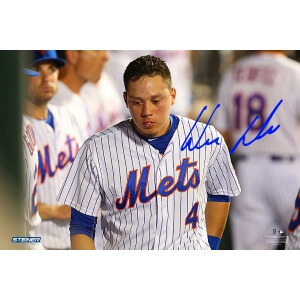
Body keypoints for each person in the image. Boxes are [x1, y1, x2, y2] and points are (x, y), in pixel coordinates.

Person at [57, 55, 241, 250]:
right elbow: (81, 225)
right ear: (126, 100)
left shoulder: (206, 137)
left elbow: (220, 194)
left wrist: (209, 247)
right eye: (137, 102)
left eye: (156, 100)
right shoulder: (96, 149)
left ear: (173, 95)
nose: (147, 111)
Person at [214, 50, 300, 249]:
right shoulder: (293, 72)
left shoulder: (233, 72)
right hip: (289, 170)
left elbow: (221, 134)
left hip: (247, 172)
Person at [24, 50, 83, 249]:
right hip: (36, 242)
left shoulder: (69, 116)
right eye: (36, 70)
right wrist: (55, 210)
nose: (47, 77)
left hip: (77, 238)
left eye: (52, 69)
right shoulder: (11, 128)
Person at [51, 50, 109, 139]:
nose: (106, 57)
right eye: (97, 50)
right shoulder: (54, 104)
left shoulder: (81, 97)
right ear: (72, 55)